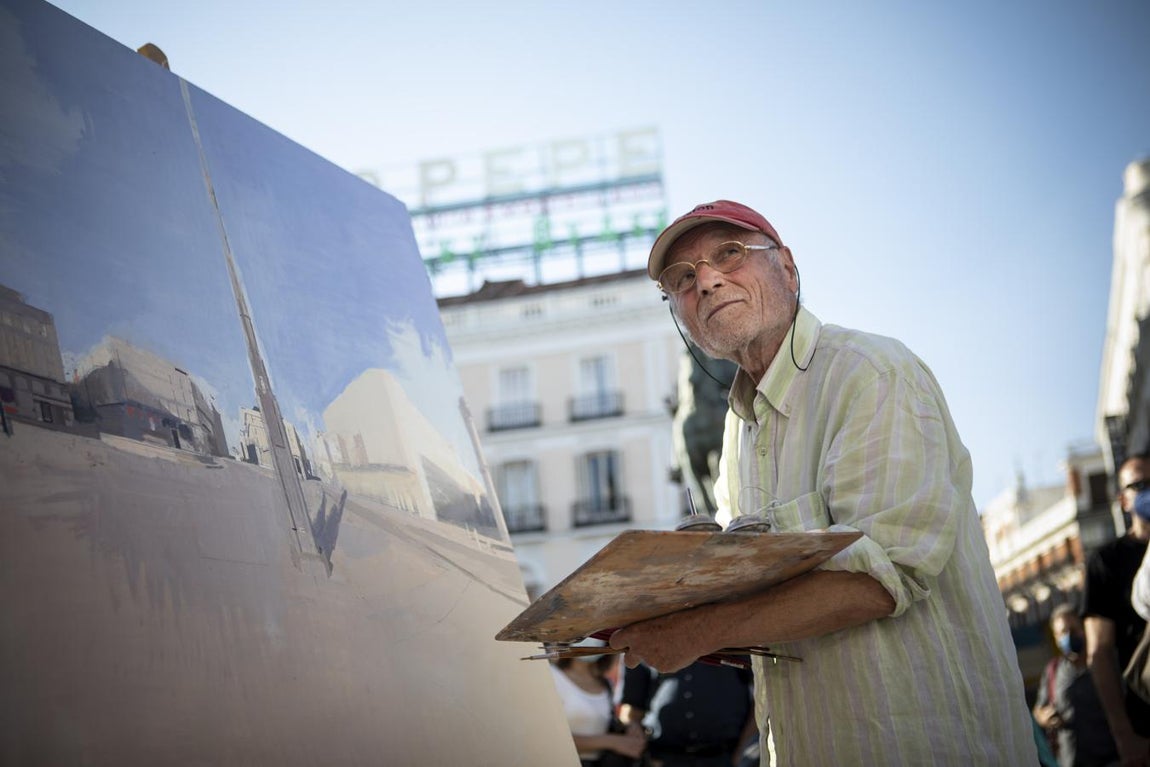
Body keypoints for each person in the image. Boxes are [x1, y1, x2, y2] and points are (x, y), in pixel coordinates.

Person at [607, 200, 1036, 765]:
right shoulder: (738, 432)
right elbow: (771, 614)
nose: (706, 281)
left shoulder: (871, 373)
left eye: (728, 254)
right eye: (682, 279)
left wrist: (700, 631)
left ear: (786, 266)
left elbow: (884, 577)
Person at [1082, 454, 1150, 766]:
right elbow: (1099, 652)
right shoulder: (1105, 562)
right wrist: (1124, 735)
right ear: (1124, 500)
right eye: (1141, 485)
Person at [618, 659, 755, 767]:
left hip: (723, 758)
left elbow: (761, 702)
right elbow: (632, 708)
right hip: (663, 758)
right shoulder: (645, 639)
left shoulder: (734, 637)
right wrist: (633, 728)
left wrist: (740, 755)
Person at [1034, 604, 1120, 766]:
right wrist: (1044, 717)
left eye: (1073, 630)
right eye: (1061, 633)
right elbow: (1039, 710)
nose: (1068, 637)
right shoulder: (1053, 671)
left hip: (1113, 758)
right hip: (1071, 760)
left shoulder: (1104, 663)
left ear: (1084, 629)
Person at [549, 639, 648, 767]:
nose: (591, 640)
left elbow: (603, 722)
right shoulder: (552, 676)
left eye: (598, 636)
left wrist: (631, 726)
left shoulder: (606, 684)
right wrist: (612, 742)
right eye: (585, 636)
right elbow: (547, 738)